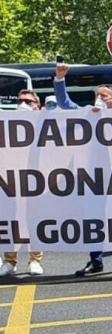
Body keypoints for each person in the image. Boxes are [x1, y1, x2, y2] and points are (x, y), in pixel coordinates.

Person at [52, 63, 112, 275]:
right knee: (93, 219)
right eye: (97, 94)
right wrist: (60, 79)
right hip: (91, 176)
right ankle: (95, 260)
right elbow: (64, 102)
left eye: (105, 95)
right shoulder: (86, 112)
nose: (100, 98)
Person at [2, 90, 44, 277]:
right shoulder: (7, 124)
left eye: (28, 101)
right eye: (20, 100)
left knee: (35, 220)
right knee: (11, 221)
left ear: (38, 105)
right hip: (11, 182)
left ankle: (35, 259)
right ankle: (10, 261)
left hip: (37, 182)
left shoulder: (46, 123)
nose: (23, 104)